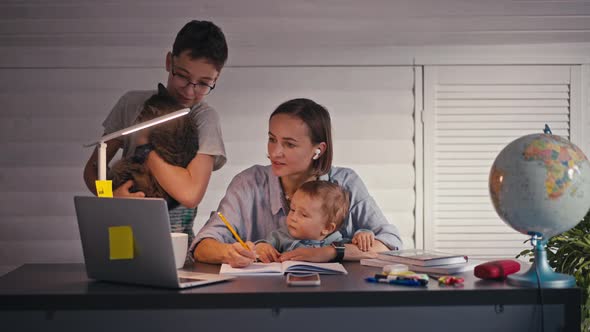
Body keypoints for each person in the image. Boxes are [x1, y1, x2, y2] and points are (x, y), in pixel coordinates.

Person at [191, 98, 402, 267]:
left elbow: (390, 242)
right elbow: (202, 246)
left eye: (289, 145)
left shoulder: (346, 183)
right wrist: (227, 252)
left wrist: (328, 253)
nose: (274, 152)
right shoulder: (248, 183)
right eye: (272, 139)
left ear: (318, 150)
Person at [83, 20, 228, 243]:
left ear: (216, 79)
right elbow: (95, 167)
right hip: (122, 232)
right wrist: (109, 196)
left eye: (203, 83)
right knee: (117, 275)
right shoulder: (131, 104)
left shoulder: (204, 118)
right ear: (169, 61)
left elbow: (189, 195)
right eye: (182, 76)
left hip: (173, 241)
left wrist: (145, 149)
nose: (190, 90)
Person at [254, 180, 376, 263]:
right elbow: (262, 246)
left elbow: (359, 249)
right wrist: (261, 247)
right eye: (292, 209)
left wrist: (363, 234)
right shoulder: (280, 236)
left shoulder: (336, 241)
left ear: (327, 228)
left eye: (303, 214)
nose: (293, 217)